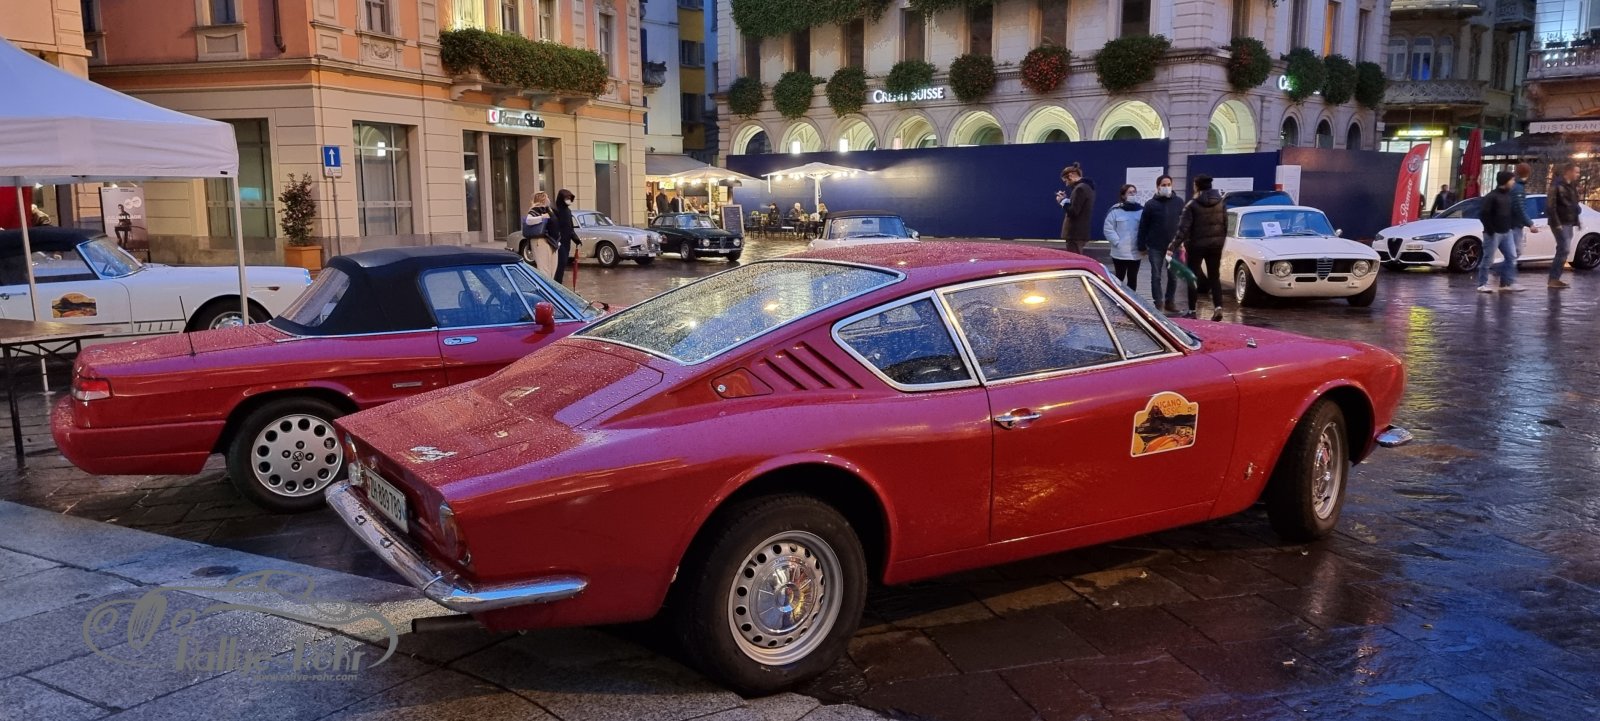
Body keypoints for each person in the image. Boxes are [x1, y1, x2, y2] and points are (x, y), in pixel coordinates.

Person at [1167, 174, 1228, 321]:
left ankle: (1192, 311)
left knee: (1192, 277)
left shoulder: (1192, 205)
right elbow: (1226, 224)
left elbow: (1183, 229)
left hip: (1196, 245)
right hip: (1215, 246)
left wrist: (1173, 246)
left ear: (1197, 186)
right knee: (1214, 276)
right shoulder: (1221, 203)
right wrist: (1220, 241)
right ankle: (1218, 307)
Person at [1137, 174, 1184, 312]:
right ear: (1158, 187)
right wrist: (1141, 245)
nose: (1166, 187)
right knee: (1156, 275)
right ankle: (1158, 303)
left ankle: (1170, 302)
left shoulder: (1179, 202)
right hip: (1155, 246)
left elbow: (1183, 224)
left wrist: (1183, 241)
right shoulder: (1150, 204)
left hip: (1173, 246)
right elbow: (1143, 226)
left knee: (1173, 276)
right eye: (1163, 185)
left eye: (1169, 184)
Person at [1476, 170, 1523, 293]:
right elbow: (1483, 214)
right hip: (1494, 233)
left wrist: (1510, 226)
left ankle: (1507, 283)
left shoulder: (1508, 196)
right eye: (1511, 180)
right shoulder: (1492, 196)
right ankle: (1482, 284)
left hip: (1506, 232)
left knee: (1512, 256)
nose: (1513, 182)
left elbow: (1509, 213)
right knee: (1488, 259)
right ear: (1505, 181)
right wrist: (1490, 230)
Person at [1103, 184, 1144, 289]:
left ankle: (1131, 298)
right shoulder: (1115, 210)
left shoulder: (1141, 210)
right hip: (1119, 253)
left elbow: (1145, 228)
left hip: (1135, 253)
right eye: (1130, 192)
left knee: (1132, 279)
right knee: (1119, 279)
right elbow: (1108, 229)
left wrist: (1143, 245)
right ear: (1123, 195)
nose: (1133, 194)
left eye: (1134, 192)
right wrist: (1117, 242)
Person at [1547, 163, 1581, 289]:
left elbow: (1574, 204)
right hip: (1560, 223)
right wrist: (1557, 223)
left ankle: (1555, 278)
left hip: (1568, 222)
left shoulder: (1571, 186)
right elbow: (1551, 206)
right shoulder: (1557, 185)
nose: (1578, 175)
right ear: (1569, 172)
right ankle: (1553, 279)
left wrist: (1577, 220)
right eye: (1576, 172)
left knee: (1563, 250)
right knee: (1564, 249)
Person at [1056, 163, 1095, 254]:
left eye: (1066, 181)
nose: (1066, 184)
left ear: (1070, 175)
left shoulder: (1079, 189)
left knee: (1075, 258)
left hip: (1075, 234)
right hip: (1079, 234)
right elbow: (1078, 206)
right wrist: (1066, 200)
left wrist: (1062, 201)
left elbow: (1073, 212)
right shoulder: (1087, 187)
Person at [549, 189, 581, 284]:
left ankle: (558, 284)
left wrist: (574, 237)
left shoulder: (568, 211)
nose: (568, 200)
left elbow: (570, 227)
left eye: (569, 198)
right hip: (558, 242)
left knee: (563, 265)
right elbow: (553, 226)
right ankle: (556, 284)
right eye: (567, 198)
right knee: (559, 265)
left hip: (566, 242)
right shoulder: (554, 210)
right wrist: (556, 238)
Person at [522, 192, 555, 278]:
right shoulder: (535, 209)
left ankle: (549, 284)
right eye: (547, 197)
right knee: (544, 268)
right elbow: (529, 221)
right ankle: (545, 285)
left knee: (550, 268)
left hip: (550, 240)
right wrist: (542, 217)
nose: (548, 199)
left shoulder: (548, 209)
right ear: (542, 199)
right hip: (539, 240)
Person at [1510, 162, 1538, 255]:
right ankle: (1505, 265)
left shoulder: (1515, 186)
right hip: (1515, 225)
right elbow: (1519, 208)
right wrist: (1530, 224)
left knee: (1513, 253)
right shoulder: (1518, 188)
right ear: (1528, 174)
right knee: (1516, 252)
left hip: (1512, 223)